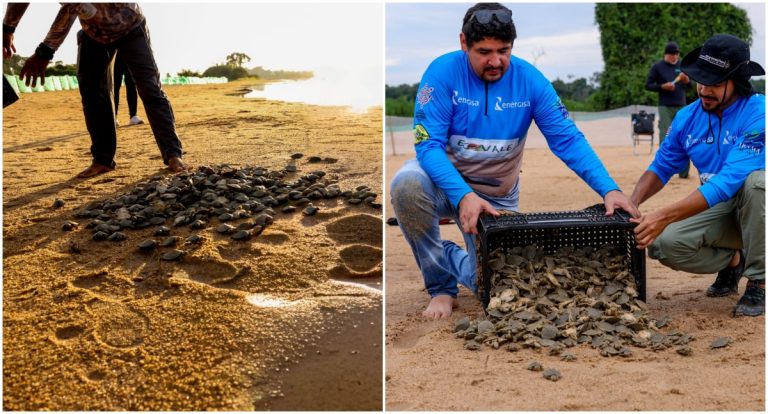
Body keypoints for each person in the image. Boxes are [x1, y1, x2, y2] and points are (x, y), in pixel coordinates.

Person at [390, 3, 639, 319]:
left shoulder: (531, 82)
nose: (495, 61)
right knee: (406, 184)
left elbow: (568, 140)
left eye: (504, 50)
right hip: (441, 183)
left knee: (503, 287)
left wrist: (610, 189)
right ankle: (441, 287)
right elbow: (428, 146)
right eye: (484, 51)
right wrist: (463, 195)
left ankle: (447, 256)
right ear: (463, 42)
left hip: (495, 197)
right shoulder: (441, 74)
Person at [630, 34, 765, 317]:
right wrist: (633, 203)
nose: (704, 90)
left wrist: (663, 215)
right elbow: (661, 167)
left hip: (757, 208)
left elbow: (728, 181)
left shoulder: (759, 113)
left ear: (738, 82)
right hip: (723, 209)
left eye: (715, 83)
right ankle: (734, 261)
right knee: (664, 245)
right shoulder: (686, 118)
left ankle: (759, 281)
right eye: (701, 80)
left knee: (756, 183)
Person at [2, 3, 188, 177]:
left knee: (150, 89)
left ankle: (173, 154)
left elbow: (72, 7)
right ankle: (102, 159)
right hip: (93, 33)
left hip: (130, 25)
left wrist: (44, 52)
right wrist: (8, 28)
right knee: (93, 96)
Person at [645, 41, 691, 178]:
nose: (674, 56)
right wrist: (661, 87)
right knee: (665, 136)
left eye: (677, 54)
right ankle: (662, 172)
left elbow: (692, 87)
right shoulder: (657, 67)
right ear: (666, 54)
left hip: (681, 106)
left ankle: (684, 173)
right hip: (665, 106)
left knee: (684, 136)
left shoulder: (682, 65)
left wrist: (687, 81)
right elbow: (648, 85)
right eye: (672, 54)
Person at [113, 53, 144, 126]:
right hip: (113, 51)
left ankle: (133, 116)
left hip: (129, 51)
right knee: (114, 86)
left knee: (131, 83)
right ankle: (113, 116)